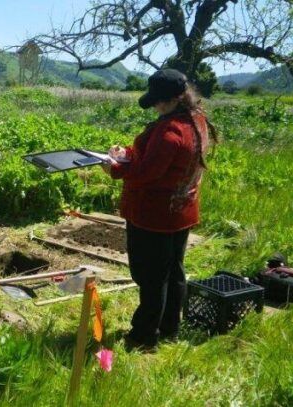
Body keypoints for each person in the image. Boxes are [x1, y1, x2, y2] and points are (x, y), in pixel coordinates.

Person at [102, 69, 218, 351]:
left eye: (159, 101)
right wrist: (127, 153)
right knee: (174, 271)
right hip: (181, 211)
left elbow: (146, 173)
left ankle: (144, 336)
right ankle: (169, 328)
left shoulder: (170, 132)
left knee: (150, 277)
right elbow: (159, 162)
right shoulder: (196, 120)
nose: (155, 105)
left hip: (153, 215)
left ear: (177, 98)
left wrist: (114, 168)